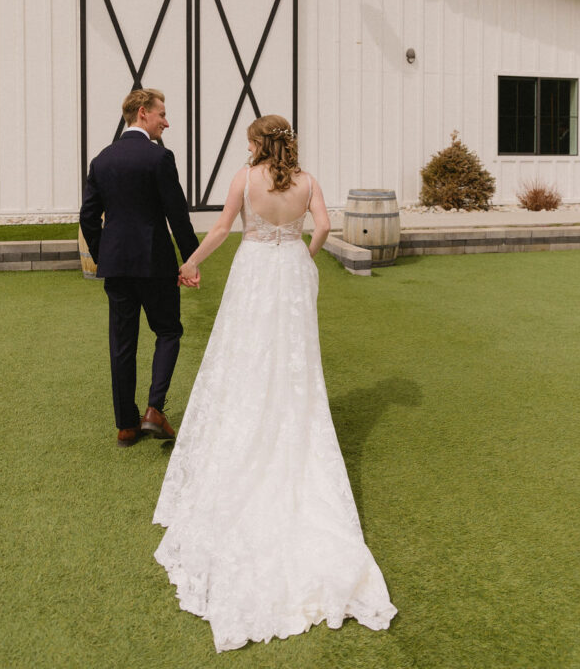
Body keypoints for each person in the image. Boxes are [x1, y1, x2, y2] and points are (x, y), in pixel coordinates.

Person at [152, 114, 397, 652]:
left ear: (258, 143)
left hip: (254, 272)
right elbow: (326, 228)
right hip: (288, 272)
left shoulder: (245, 179)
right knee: (295, 365)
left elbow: (220, 229)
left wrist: (189, 262)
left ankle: (247, 432)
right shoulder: (308, 182)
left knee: (244, 357)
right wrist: (302, 257)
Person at [79, 88, 199, 448]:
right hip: (154, 263)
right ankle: (154, 410)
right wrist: (191, 260)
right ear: (143, 113)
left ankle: (126, 426)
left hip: (116, 266)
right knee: (168, 331)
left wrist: (105, 256)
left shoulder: (101, 160)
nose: (167, 121)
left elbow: (88, 218)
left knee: (122, 344)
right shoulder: (159, 158)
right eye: (162, 114)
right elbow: (176, 214)